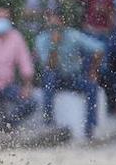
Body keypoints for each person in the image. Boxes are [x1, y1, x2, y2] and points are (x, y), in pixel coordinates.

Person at [35, 9, 106, 139]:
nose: (54, 24)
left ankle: (90, 129)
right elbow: (50, 65)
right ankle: (48, 122)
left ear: (63, 22)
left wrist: (93, 71)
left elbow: (99, 49)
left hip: (72, 77)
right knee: (49, 78)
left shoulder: (73, 35)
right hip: (54, 77)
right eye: (51, 20)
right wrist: (54, 46)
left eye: (57, 20)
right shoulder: (42, 39)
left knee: (92, 87)